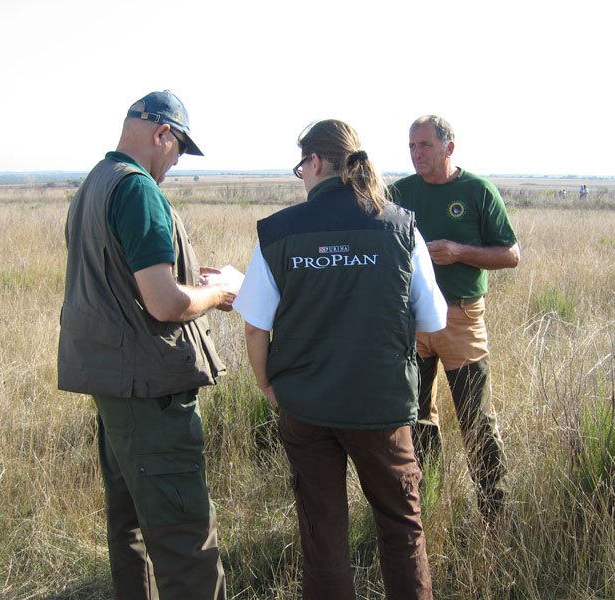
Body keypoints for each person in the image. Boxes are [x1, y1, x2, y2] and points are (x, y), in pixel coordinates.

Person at [234, 119, 447, 600]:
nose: (301, 177)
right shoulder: (400, 226)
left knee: (322, 536)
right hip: (382, 408)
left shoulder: (279, 232)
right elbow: (432, 323)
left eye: (300, 168)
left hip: (306, 408)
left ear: (313, 163)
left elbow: (254, 326)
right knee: (402, 529)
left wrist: (268, 385)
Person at [57, 90, 238, 600]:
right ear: (162, 134)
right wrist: (218, 292)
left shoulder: (95, 183)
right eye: (179, 149)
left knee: (129, 531)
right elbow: (162, 302)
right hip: (151, 395)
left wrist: (194, 290)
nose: (175, 163)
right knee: (185, 544)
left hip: (115, 388)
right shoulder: (138, 191)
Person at [390, 115, 520, 525]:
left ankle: (493, 517)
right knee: (416, 417)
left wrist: (459, 251)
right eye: (412, 146)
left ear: (449, 147)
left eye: (425, 145)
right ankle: (426, 506)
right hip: (411, 321)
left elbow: (511, 254)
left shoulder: (477, 191)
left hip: (461, 318)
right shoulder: (398, 192)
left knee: (477, 419)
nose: (416, 154)